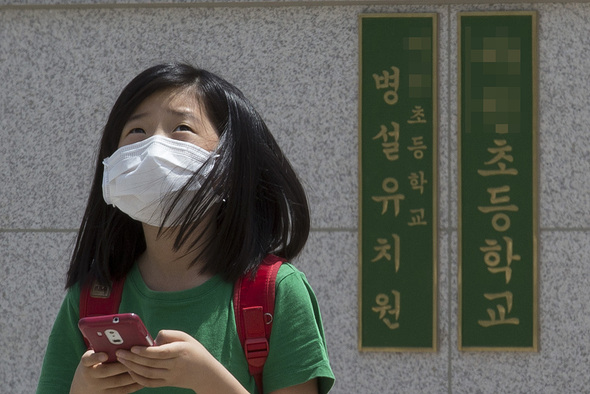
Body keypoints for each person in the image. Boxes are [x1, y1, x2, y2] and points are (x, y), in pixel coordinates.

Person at [36, 63, 334, 394]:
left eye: (181, 127)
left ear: (228, 163)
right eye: (137, 132)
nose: (153, 148)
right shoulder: (90, 298)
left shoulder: (275, 292)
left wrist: (207, 380)